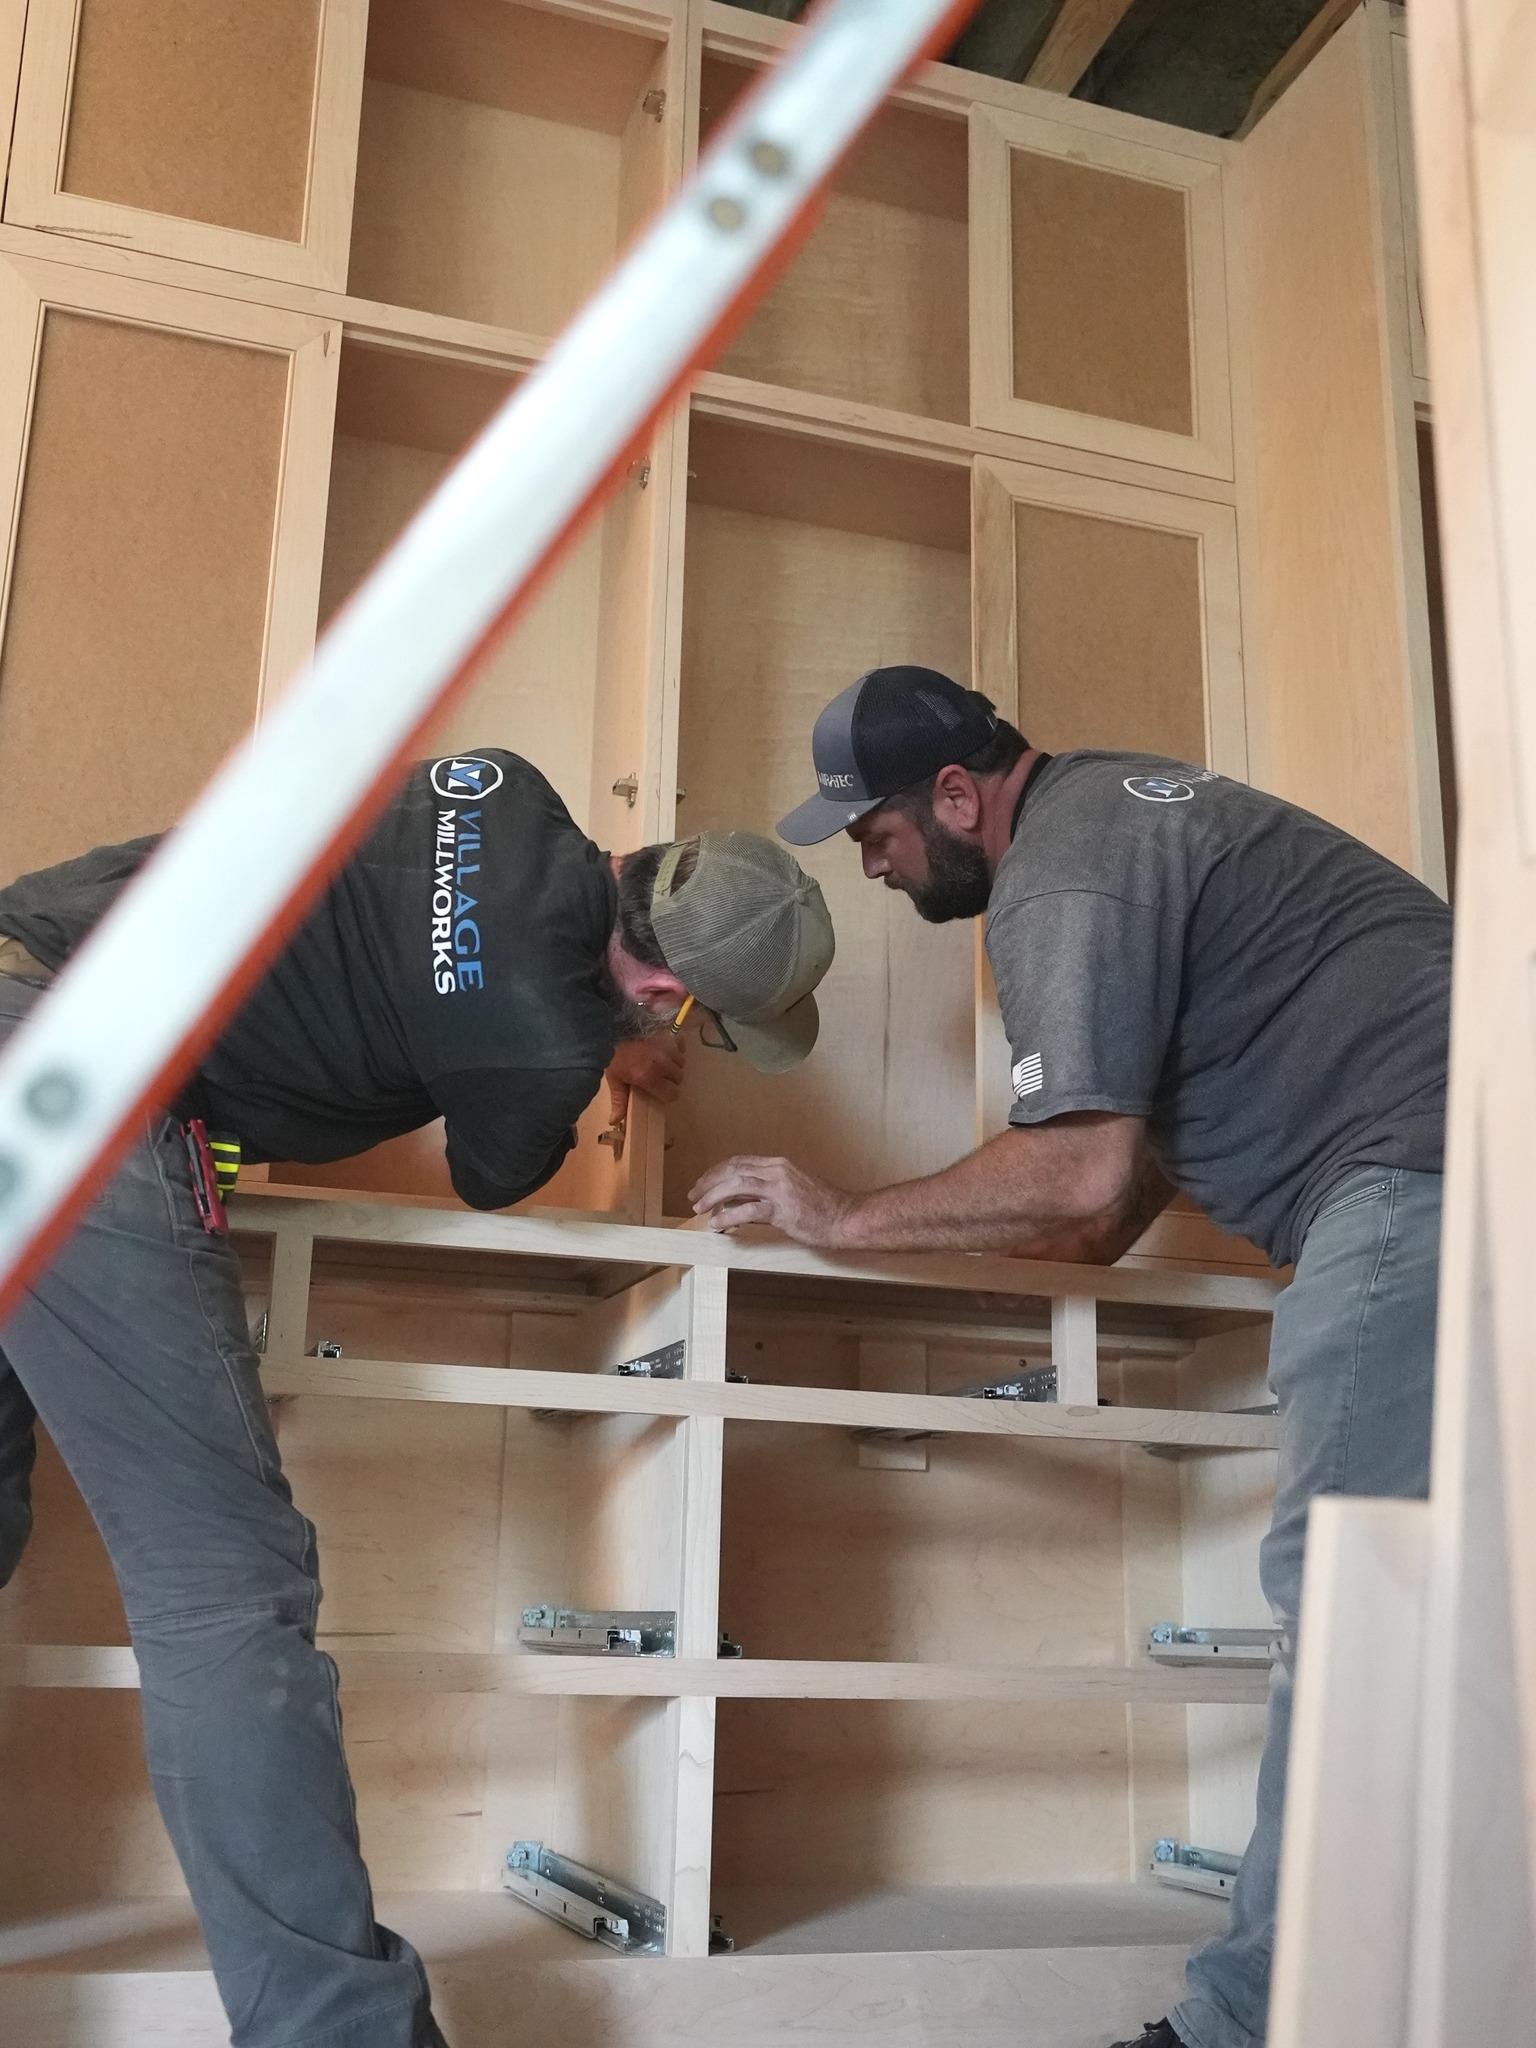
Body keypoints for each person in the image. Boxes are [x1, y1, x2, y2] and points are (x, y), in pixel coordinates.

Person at [0, 746, 833, 2048]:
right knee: (224, 1591)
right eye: (688, 1024)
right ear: (666, 993)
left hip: (22, 967)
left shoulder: (501, 780)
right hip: (67, 1081)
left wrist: (568, 1019)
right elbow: (491, 1175)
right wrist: (592, 1049)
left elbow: (422, 927)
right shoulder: (549, 1043)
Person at [690, 669, 1451, 2048]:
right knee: (1448, 1612)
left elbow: (1078, 1165)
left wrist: (842, 1217)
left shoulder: (1060, 877)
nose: (871, 865)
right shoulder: (1127, 813)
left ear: (958, 797)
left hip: (1414, 1181)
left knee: (1355, 1602)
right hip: (1460, 1159)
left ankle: (1247, 2028)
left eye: (873, 834)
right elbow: (1105, 1206)